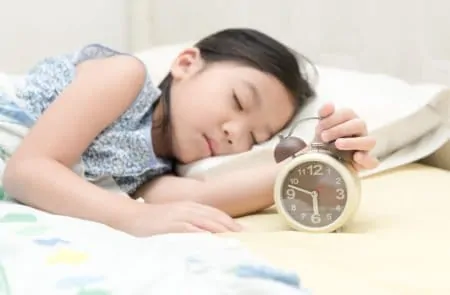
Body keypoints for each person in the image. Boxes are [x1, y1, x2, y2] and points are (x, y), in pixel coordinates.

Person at [0, 28, 378, 237]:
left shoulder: (150, 171)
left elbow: (205, 196)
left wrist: (322, 156)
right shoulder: (123, 77)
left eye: (255, 137)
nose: (235, 134)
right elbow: (28, 171)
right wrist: (130, 217)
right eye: (238, 101)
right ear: (185, 64)